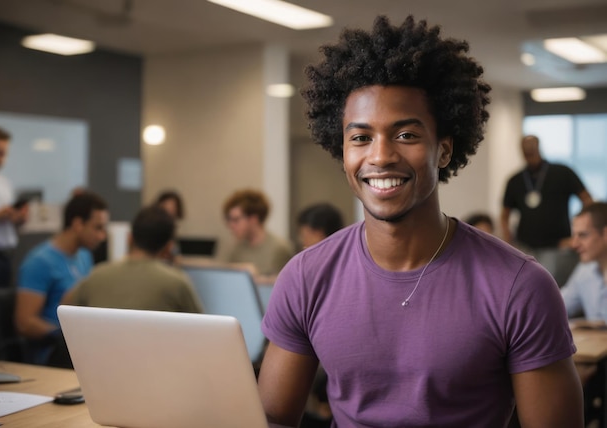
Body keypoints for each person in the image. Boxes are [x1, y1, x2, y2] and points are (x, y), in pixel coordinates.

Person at [258, 15, 583, 428]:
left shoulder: (520, 287)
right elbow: (273, 419)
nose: (380, 156)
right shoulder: (305, 277)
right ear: (342, 152)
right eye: (360, 137)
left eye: (406, 135)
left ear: (444, 150)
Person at [15, 191, 108, 364]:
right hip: (53, 352)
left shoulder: (84, 255)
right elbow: (24, 323)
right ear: (78, 224)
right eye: (98, 228)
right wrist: (65, 334)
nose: (102, 236)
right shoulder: (40, 261)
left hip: (78, 344)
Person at [63, 205, 203, 314]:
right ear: (168, 248)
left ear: (129, 238)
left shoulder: (95, 275)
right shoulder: (177, 283)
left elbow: (64, 308)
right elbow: (202, 329)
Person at [501, 134, 593, 285]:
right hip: (525, 247)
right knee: (525, 287)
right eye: (525, 148)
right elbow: (504, 215)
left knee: (548, 286)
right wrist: (509, 242)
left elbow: (587, 200)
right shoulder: (515, 180)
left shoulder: (562, 172)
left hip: (556, 247)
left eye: (532, 147)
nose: (529, 151)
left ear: (538, 147)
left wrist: (578, 233)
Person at [0, 127, 29, 358]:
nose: (2, 159)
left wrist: (17, 218)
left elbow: (7, 219)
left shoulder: (4, 183)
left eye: (5, 154)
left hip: (5, 255)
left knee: (3, 313)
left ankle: (4, 362)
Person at [222, 189, 294, 280]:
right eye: (229, 219)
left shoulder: (279, 249)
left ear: (253, 219)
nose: (231, 225)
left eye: (236, 220)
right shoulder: (237, 248)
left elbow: (284, 287)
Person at [561, 202, 607, 323]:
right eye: (574, 236)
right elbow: (557, 306)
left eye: (583, 235)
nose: (574, 244)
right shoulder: (584, 270)